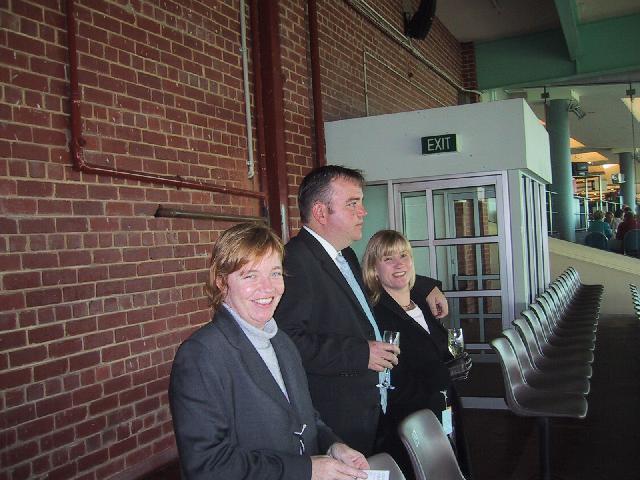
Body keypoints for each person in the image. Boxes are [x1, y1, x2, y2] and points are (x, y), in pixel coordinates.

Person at [169, 222, 369, 480]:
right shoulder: (201, 356)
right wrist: (306, 470)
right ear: (221, 282)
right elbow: (207, 466)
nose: (268, 288)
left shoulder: (281, 341)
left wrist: (333, 445)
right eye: (250, 275)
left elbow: (305, 417)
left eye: (275, 273)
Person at [275, 165, 448, 456]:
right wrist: (360, 353)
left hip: (373, 409)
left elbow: (375, 286)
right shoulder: (296, 261)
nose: (363, 212)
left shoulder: (345, 255)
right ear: (320, 212)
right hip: (336, 419)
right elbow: (286, 341)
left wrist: (427, 287)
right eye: (353, 203)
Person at [362, 230, 473, 480]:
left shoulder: (422, 303)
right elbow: (391, 385)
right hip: (410, 428)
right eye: (388, 259)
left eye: (404, 255)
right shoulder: (376, 317)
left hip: (443, 411)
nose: (399, 264)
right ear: (374, 270)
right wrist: (444, 373)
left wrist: (456, 363)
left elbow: (433, 353)